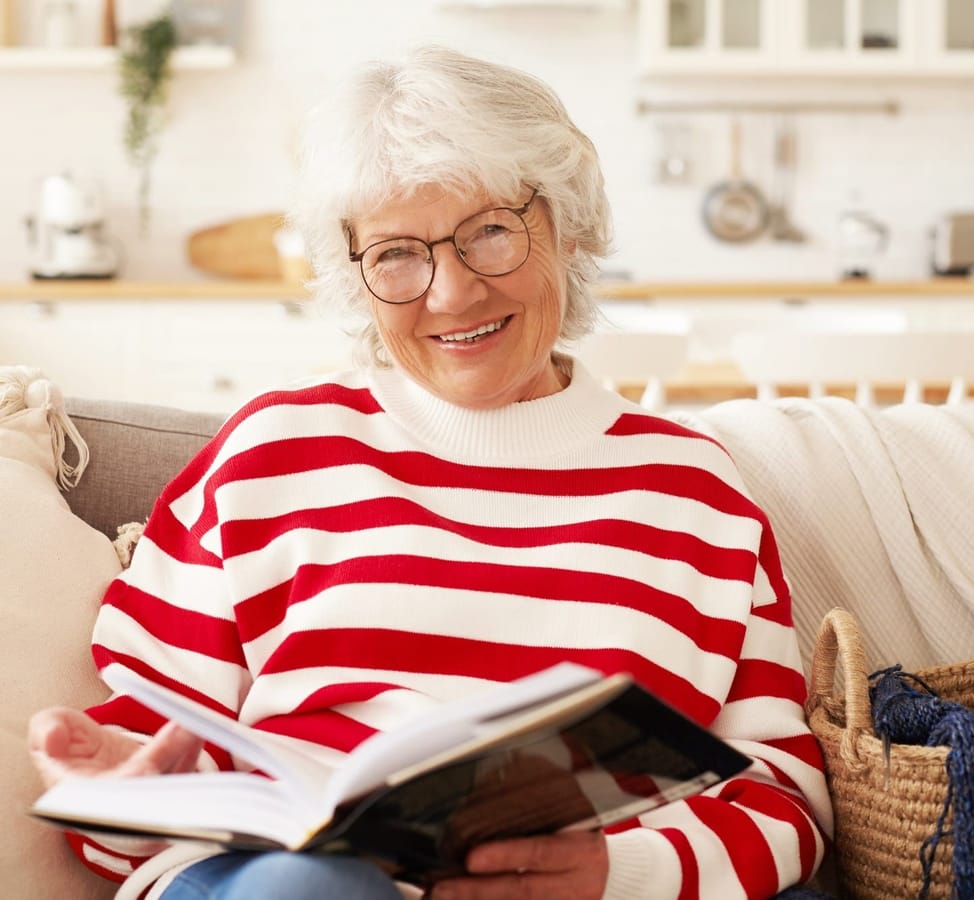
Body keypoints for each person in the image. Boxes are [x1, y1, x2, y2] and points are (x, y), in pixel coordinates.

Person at [29, 45, 832, 900]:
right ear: (355, 275)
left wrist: (615, 873)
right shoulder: (271, 454)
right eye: (397, 254)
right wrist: (124, 792)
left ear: (567, 227)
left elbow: (784, 799)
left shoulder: (692, 488)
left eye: (490, 230)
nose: (450, 293)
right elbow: (142, 754)